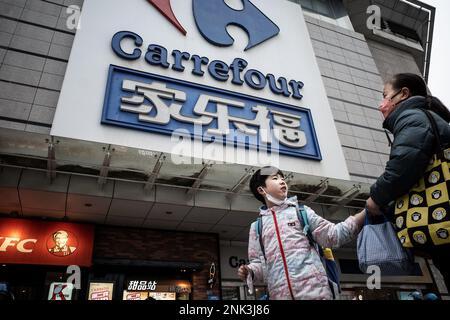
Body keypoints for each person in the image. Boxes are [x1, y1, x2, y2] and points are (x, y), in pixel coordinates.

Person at [366, 73, 450, 291]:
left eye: (385, 96)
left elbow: (403, 166)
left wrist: (375, 198)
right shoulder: (424, 117)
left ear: (403, 94)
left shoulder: (412, 117)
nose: (381, 105)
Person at [237, 166, 365, 300]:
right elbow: (260, 265)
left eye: (282, 178)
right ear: (261, 190)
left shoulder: (302, 212)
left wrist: (364, 213)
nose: (282, 181)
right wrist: (250, 271)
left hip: (316, 294)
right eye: (275, 179)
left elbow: (333, 235)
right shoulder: (257, 227)